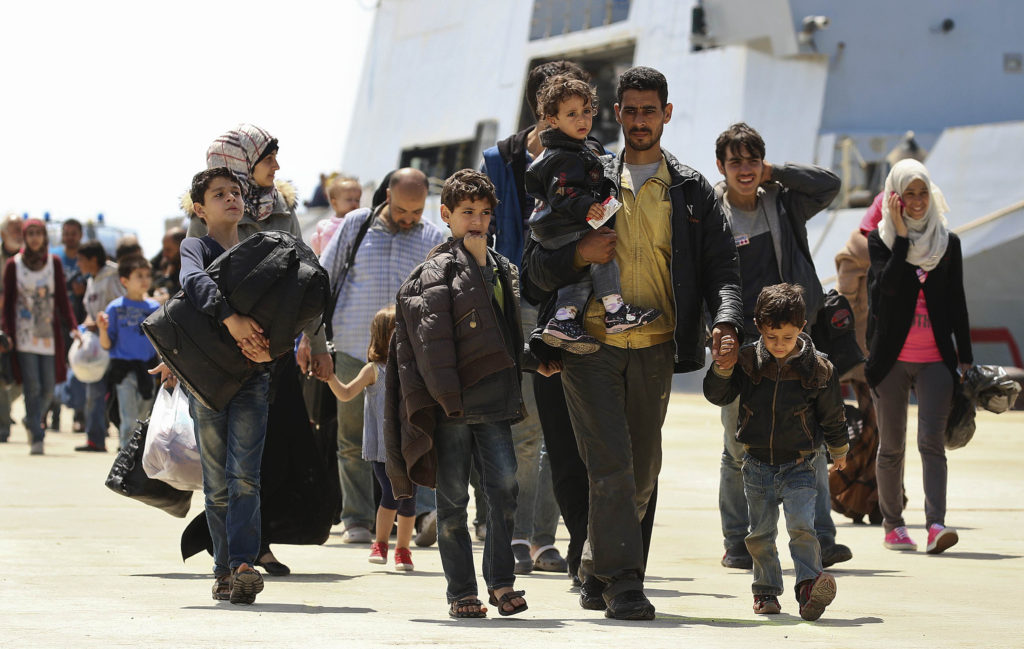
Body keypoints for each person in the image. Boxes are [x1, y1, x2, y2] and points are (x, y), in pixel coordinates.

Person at [524, 66, 743, 620]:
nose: (639, 119)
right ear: (616, 114)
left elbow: (723, 268)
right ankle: (625, 583)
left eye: (650, 110)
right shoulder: (586, 178)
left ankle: (595, 564)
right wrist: (579, 255)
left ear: (666, 114)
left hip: (656, 344)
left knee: (643, 470)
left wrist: (727, 321)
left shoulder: (691, 190)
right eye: (630, 109)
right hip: (589, 346)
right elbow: (532, 271)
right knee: (613, 467)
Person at [387, 169, 553, 618]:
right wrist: (444, 400)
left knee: (503, 491)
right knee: (454, 503)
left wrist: (535, 359)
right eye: (466, 214)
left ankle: (501, 583)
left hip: (495, 404)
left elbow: (498, 337)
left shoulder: (504, 269)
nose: (477, 222)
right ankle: (461, 591)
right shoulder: (433, 273)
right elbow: (432, 346)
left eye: (484, 213)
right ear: (447, 216)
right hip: (453, 409)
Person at [181, 123, 333, 577]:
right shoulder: (206, 217)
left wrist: (317, 343)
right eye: (268, 159)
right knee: (223, 469)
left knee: (270, 453)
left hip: (272, 355)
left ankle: (253, 551)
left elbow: (305, 280)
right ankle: (232, 559)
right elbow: (192, 284)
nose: (277, 168)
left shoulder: (283, 210)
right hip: (215, 356)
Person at [711, 122, 852, 570]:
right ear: (722, 166)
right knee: (737, 447)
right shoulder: (711, 215)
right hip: (743, 344)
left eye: (753, 160)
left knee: (809, 443)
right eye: (736, 161)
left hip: (793, 341)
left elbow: (830, 185)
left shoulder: (783, 203)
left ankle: (823, 540)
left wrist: (778, 172)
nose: (745, 169)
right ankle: (737, 541)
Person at [481, 59, 589, 578]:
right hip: (518, 298)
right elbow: (475, 231)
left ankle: (546, 540)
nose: (574, 116)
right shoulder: (498, 160)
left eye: (581, 107)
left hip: (573, 299)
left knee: (561, 428)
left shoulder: (592, 157)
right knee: (525, 428)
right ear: (539, 109)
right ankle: (518, 533)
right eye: (563, 107)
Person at [703, 283, 848, 621]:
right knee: (761, 534)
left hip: (800, 463)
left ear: (801, 328)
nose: (779, 345)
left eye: (787, 337)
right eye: (771, 337)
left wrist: (839, 448)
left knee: (802, 528)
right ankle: (766, 591)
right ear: (759, 328)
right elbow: (718, 395)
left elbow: (832, 414)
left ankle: (809, 587)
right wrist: (722, 367)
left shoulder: (819, 368)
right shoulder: (749, 361)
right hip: (756, 465)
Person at [318, 167, 444, 544]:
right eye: (403, 210)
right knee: (354, 438)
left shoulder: (433, 237)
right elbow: (324, 277)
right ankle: (356, 519)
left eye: (417, 212)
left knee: (419, 436)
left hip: (412, 359)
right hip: (356, 347)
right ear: (388, 195)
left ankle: (422, 516)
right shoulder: (357, 224)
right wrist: (311, 338)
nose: (409, 219)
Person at [176, 167, 275, 604]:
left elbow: (285, 303)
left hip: (254, 376)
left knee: (246, 477)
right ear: (200, 208)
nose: (231, 198)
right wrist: (231, 319)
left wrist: (274, 349)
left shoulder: (262, 248)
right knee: (217, 482)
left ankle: (242, 564)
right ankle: (222, 570)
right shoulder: (195, 246)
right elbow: (192, 282)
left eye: (236, 192)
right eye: (219, 194)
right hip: (207, 378)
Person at [866, 159, 972, 554]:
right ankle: (893, 525)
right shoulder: (880, 241)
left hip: (936, 359)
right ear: (894, 197)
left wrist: (965, 357)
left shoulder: (949, 243)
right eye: (907, 193)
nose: (915, 201)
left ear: (931, 194)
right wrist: (902, 240)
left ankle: (935, 525)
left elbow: (958, 303)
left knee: (932, 443)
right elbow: (887, 290)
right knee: (891, 446)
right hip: (891, 360)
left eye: (922, 192)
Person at [527, 74, 660, 353]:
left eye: (586, 111)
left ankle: (563, 319)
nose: (582, 120)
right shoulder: (564, 155)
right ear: (552, 120)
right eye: (572, 114)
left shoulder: (570, 150)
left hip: (555, 232)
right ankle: (615, 310)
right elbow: (562, 190)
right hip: (564, 227)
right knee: (603, 251)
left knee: (579, 275)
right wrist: (587, 205)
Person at [323, 305, 415, 571]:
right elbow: (346, 393)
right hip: (383, 448)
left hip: (410, 447)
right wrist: (330, 377)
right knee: (390, 493)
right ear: (382, 335)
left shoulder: (413, 367)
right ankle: (382, 543)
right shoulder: (374, 369)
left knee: (408, 500)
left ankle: (404, 550)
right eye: (395, 330)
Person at [1, 218, 76, 455]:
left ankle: (31, 419)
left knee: (48, 389)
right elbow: (9, 303)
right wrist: (7, 333)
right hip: (24, 337)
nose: (34, 237)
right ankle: (37, 433)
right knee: (32, 386)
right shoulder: (14, 265)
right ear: (25, 237)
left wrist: (73, 326)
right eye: (30, 233)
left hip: (48, 336)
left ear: (44, 236)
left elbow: (63, 299)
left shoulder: (53, 263)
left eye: (38, 233)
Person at [96, 255, 159, 450]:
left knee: (144, 419)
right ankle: (124, 462)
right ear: (124, 281)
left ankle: (139, 462)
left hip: (148, 370)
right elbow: (106, 344)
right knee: (128, 418)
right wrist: (102, 329)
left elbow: (161, 343)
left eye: (147, 275)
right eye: (139, 276)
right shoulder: (115, 308)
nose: (145, 280)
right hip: (124, 371)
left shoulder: (154, 308)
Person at [75, 240, 124, 452]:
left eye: (81, 260)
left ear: (93, 260)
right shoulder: (91, 280)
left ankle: (127, 441)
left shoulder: (113, 276)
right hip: (97, 346)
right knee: (93, 392)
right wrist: (86, 326)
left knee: (120, 395)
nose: (78, 264)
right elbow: (90, 309)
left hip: (118, 346)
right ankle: (95, 439)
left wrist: (99, 324)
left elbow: (122, 306)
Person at [0, 213, 25, 443]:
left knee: (24, 378)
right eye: (14, 227)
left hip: (28, 327)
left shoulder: (31, 259)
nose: (19, 231)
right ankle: (3, 426)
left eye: (21, 227)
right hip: (2, 325)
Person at [310, 174, 362, 256]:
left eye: (357, 200)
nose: (354, 203)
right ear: (334, 203)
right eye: (349, 200)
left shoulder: (359, 224)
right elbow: (316, 245)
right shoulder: (325, 227)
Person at [150, 227, 186, 298]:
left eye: (168, 250)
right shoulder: (165, 261)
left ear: (182, 248)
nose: (164, 254)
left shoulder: (193, 270)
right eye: (164, 249)